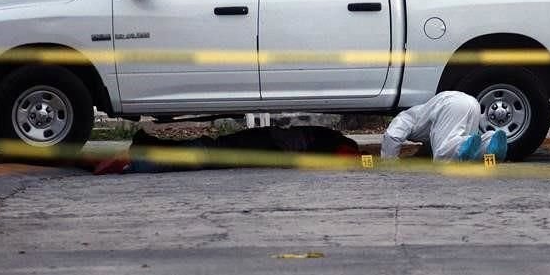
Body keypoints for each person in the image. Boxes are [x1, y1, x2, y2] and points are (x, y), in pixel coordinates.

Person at [93, 125, 361, 174]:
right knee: (211, 153)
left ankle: (147, 149)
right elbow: (348, 159)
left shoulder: (335, 141)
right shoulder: (343, 147)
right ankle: (143, 157)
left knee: (214, 149)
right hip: (271, 145)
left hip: (270, 142)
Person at [380, 91, 508, 162]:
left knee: (443, 155)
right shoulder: (423, 117)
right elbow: (429, 146)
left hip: (450, 104)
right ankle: (489, 142)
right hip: (472, 102)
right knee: (468, 154)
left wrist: (388, 161)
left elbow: (392, 136)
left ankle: (460, 144)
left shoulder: (404, 117)